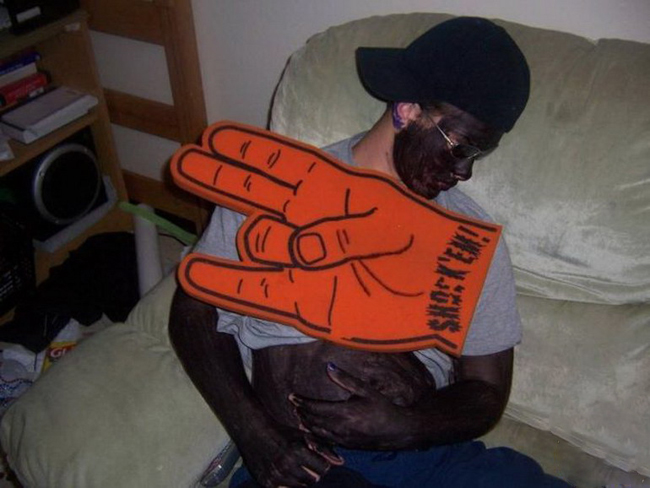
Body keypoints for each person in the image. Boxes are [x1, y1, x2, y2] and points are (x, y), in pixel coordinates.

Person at [169, 17, 571, 488]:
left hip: (423, 458)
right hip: (305, 466)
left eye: (478, 155)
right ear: (407, 109)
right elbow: (192, 310)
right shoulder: (279, 185)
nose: (465, 173)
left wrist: (408, 426)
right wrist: (255, 436)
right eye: (460, 147)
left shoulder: (470, 237)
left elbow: (487, 390)